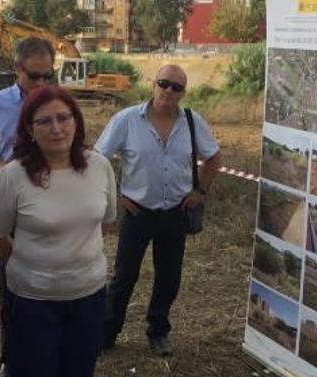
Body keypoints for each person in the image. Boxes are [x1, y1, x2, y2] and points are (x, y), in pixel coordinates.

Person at [0, 86, 116, 377]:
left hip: (89, 296)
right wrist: (32, 267)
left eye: (65, 118)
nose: (57, 128)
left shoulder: (98, 166)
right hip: (33, 302)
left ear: (77, 122)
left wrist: (76, 259)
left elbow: (106, 221)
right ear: (29, 129)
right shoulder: (13, 176)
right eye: (45, 120)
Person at [94, 64, 221, 356]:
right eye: (164, 83)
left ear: (183, 93)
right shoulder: (126, 120)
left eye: (176, 87)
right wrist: (114, 198)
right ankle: (107, 333)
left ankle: (158, 331)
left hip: (175, 213)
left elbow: (213, 158)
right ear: (153, 84)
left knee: (169, 276)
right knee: (124, 275)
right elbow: (96, 160)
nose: (169, 91)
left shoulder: (192, 121)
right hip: (137, 212)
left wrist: (199, 191)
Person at [0, 37, 56, 377]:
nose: (40, 85)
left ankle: (51, 356)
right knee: (13, 287)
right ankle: (10, 360)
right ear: (17, 68)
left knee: (51, 286)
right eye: (34, 76)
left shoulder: (57, 104)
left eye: (47, 76)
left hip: (51, 209)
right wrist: (5, 169)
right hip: (11, 212)